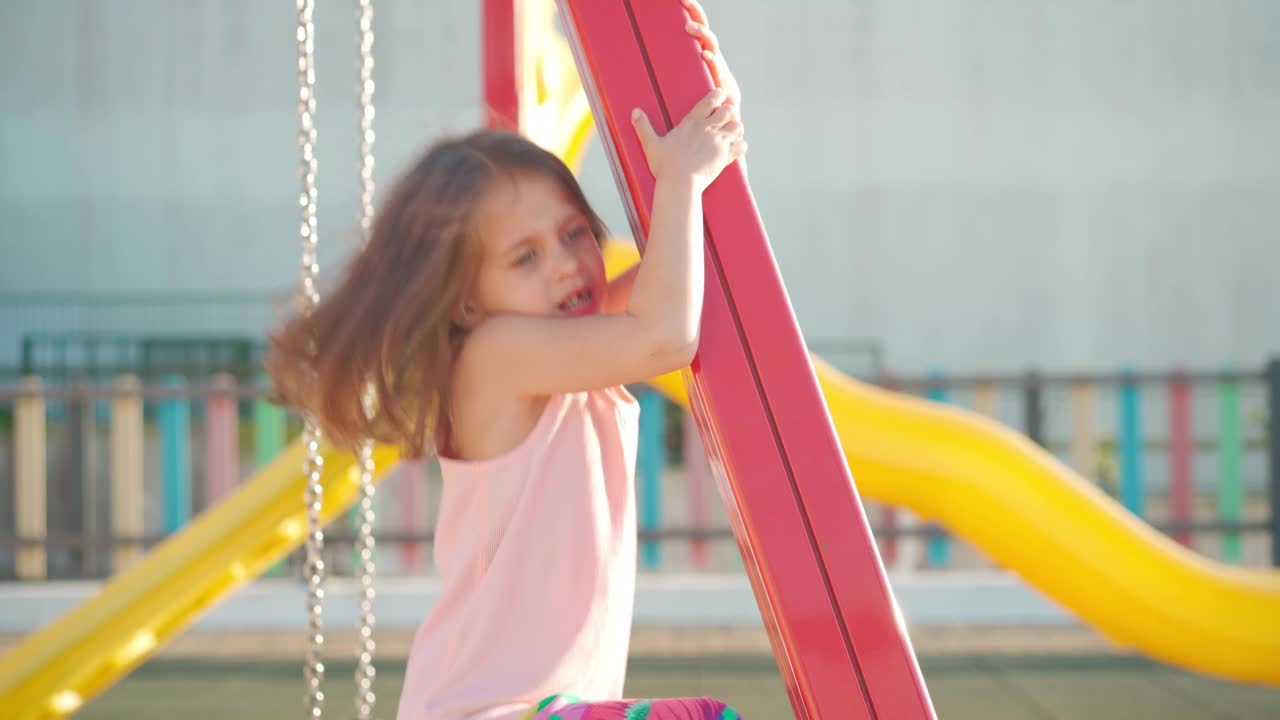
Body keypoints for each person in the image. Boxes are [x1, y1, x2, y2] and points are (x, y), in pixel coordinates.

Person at [267, 2, 746, 718]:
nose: (565, 266)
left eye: (574, 233)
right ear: (464, 301)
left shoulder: (561, 343)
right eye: (525, 257)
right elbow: (665, 334)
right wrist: (679, 179)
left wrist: (714, 116)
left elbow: (689, 262)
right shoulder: (494, 356)